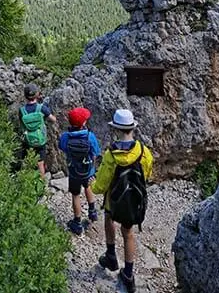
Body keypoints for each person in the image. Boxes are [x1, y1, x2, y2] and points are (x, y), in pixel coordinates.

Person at [92, 109, 153, 293]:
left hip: (114, 200)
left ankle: (111, 254)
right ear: (133, 128)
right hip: (133, 201)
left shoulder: (111, 155)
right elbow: (147, 174)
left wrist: (93, 187)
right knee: (128, 233)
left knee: (108, 217)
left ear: (116, 130)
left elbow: (101, 185)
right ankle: (128, 273)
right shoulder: (143, 152)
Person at [58, 107, 101, 235]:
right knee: (88, 187)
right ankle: (92, 212)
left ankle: (77, 223)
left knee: (75, 195)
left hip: (73, 172)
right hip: (88, 170)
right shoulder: (90, 136)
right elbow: (96, 152)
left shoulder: (66, 137)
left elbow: (62, 147)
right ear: (83, 123)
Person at [19, 83, 56, 179]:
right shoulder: (41, 108)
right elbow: (53, 119)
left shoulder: (22, 110)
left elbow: (21, 124)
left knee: (26, 160)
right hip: (40, 140)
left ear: (25, 96)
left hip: (27, 140)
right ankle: (41, 184)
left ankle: (24, 181)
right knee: (40, 163)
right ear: (37, 95)